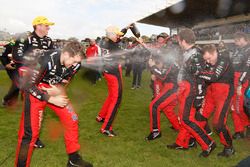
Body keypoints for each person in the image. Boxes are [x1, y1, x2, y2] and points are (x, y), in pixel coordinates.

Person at [15, 41, 93, 167]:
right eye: (73, 61)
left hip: (53, 88)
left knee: (72, 119)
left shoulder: (76, 64)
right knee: (30, 134)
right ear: (66, 54)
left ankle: (73, 159)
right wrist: (49, 98)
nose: (74, 65)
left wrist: (59, 89)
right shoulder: (45, 59)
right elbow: (27, 84)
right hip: (34, 88)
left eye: (77, 63)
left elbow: (65, 80)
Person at [167, 28, 215, 157]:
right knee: (185, 118)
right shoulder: (189, 53)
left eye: (179, 41)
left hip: (191, 90)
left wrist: (199, 95)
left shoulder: (196, 54)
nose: (179, 43)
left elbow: (200, 76)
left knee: (187, 119)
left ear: (183, 40)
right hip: (185, 88)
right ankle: (183, 142)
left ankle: (208, 143)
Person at [12, 16, 55, 148]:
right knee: (31, 109)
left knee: (37, 108)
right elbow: (17, 57)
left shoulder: (48, 40)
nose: (49, 27)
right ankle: (30, 137)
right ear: (38, 26)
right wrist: (38, 59)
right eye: (46, 25)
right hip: (27, 79)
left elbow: (52, 57)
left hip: (42, 78)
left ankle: (32, 136)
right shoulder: (25, 37)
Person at [196, 44, 235, 157]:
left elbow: (213, 76)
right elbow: (206, 76)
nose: (208, 61)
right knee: (199, 118)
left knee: (218, 124)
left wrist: (198, 72)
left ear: (214, 53)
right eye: (205, 59)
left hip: (224, 93)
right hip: (211, 91)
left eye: (209, 58)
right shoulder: (209, 61)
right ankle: (206, 143)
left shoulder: (224, 59)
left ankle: (229, 147)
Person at [95, 26, 126, 137]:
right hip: (113, 73)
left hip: (107, 72)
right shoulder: (114, 46)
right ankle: (106, 128)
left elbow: (119, 37)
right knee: (116, 99)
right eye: (116, 34)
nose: (118, 36)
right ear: (111, 34)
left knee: (112, 96)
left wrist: (125, 29)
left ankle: (101, 116)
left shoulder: (104, 42)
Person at [145, 55, 180, 140]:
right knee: (167, 109)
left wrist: (153, 66)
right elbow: (164, 74)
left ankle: (155, 131)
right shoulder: (169, 61)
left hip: (173, 88)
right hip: (172, 87)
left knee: (154, 106)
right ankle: (179, 127)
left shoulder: (169, 62)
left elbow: (163, 76)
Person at [230, 32, 250, 139]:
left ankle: (247, 124)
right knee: (233, 106)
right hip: (233, 78)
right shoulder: (237, 49)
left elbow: (247, 69)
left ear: (243, 38)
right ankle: (239, 130)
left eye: (237, 40)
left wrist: (240, 84)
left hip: (243, 79)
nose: (235, 42)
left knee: (240, 106)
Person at [0, 40, 19, 106]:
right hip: (12, 67)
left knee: (18, 84)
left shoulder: (28, 45)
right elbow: (2, 56)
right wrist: (6, 64)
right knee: (17, 84)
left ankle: (11, 102)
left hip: (21, 68)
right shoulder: (11, 44)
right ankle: (6, 99)